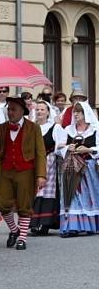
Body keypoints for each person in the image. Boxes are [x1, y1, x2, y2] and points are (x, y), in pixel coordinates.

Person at [0, 96, 47, 251]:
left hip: (26, 171)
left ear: (22, 111)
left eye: (13, 109)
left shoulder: (33, 128)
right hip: (6, 170)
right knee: (2, 204)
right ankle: (15, 230)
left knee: (24, 205)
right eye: (8, 109)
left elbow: (40, 152)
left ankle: (22, 238)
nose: (10, 112)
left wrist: (41, 175)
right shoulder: (1, 128)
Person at [57, 101, 99, 237]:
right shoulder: (68, 130)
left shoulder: (95, 129)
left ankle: (89, 226)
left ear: (85, 113)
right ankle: (71, 227)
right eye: (75, 112)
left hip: (88, 169)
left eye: (79, 112)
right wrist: (67, 148)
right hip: (71, 168)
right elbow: (58, 148)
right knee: (72, 196)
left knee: (88, 197)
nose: (75, 114)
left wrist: (89, 149)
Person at [30, 101, 62, 237]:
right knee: (34, 192)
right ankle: (33, 223)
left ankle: (45, 223)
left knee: (47, 193)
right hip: (33, 163)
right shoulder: (30, 128)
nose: (39, 112)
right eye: (37, 109)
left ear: (48, 112)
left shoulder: (54, 128)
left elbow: (60, 145)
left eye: (42, 109)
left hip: (49, 163)